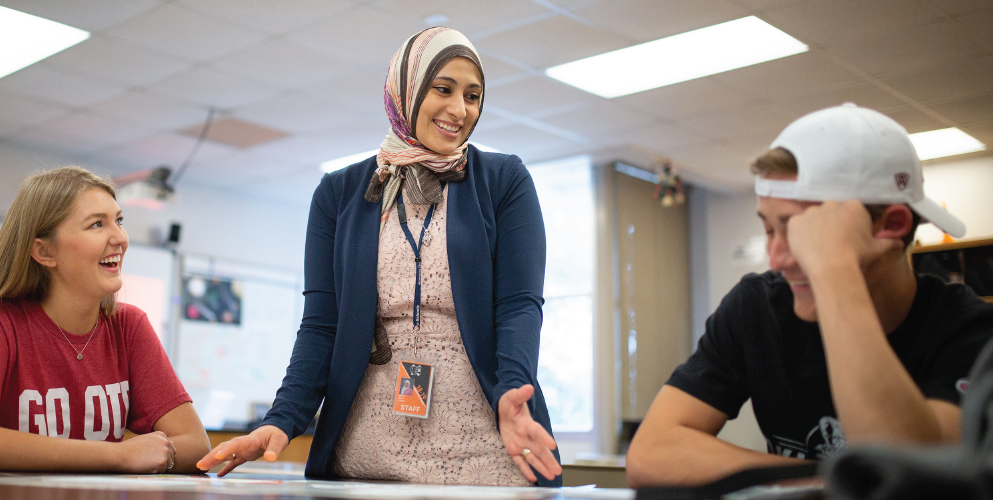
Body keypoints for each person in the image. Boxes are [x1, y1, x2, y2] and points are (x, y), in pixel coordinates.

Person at [196, 27, 563, 486]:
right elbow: (321, 326)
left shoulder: (503, 180)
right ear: (404, 90)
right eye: (443, 89)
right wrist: (282, 419)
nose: (460, 109)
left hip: (484, 450)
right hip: (367, 455)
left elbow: (519, 305)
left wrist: (512, 389)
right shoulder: (339, 193)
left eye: (473, 96)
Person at [625, 103, 993, 487]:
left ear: (893, 224)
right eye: (769, 230)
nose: (777, 258)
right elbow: (651, 454)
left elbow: (911, 482)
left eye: (802, 233)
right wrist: (828, 479)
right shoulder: (756, 307)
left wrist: (834, 270)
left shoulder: (969, 331)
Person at [0, 166, 210, 473]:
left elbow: (196, 446)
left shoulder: (129, 326)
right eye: (96, 225)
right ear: (44, 252)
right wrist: (118, 455)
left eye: (119, 220)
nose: (120, 238)